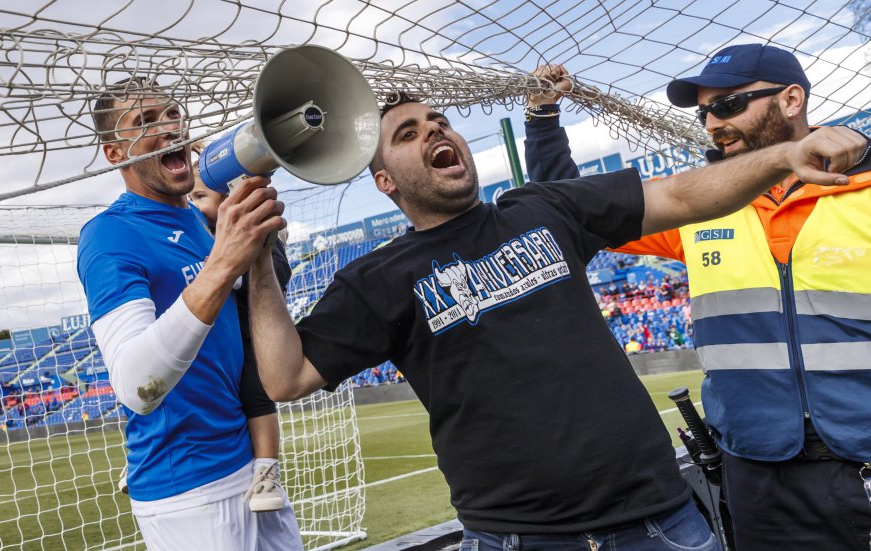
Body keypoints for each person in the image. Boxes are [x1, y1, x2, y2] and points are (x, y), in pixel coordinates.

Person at [241, 59, 865, 548]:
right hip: (514, 537)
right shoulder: (374, 277)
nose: (436, 131)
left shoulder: (543, 208)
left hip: (660, 522)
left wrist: (783, 155)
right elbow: (285, 375)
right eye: (408, 134)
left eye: (440, 122)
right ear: (385, 180)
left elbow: (679, 193)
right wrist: (259, 261)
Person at [524, 44, 871, 550]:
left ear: (792, 100)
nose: (711, 123)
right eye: (705, 111)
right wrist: (541, 118)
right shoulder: (696, 205)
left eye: (729, 106)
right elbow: (578, 207)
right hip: (756, 477)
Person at [76, 78, 301, 550]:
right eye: (145, 122)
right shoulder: (109, 235)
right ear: (114, 154)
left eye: (173, 113)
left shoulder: (201, 222)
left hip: (246, 464)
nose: (170, 127)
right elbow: (137, 387)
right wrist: (224, 261)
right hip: (188, 490)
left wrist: (256, 248)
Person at [187, 144, 291, 512]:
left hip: (250, 334)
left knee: (255, 391)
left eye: (199, 195)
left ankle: (266, 472)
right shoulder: (198, 236)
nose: (192, 203)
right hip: (217, 338)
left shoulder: (256, 230)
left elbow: (275, 272)